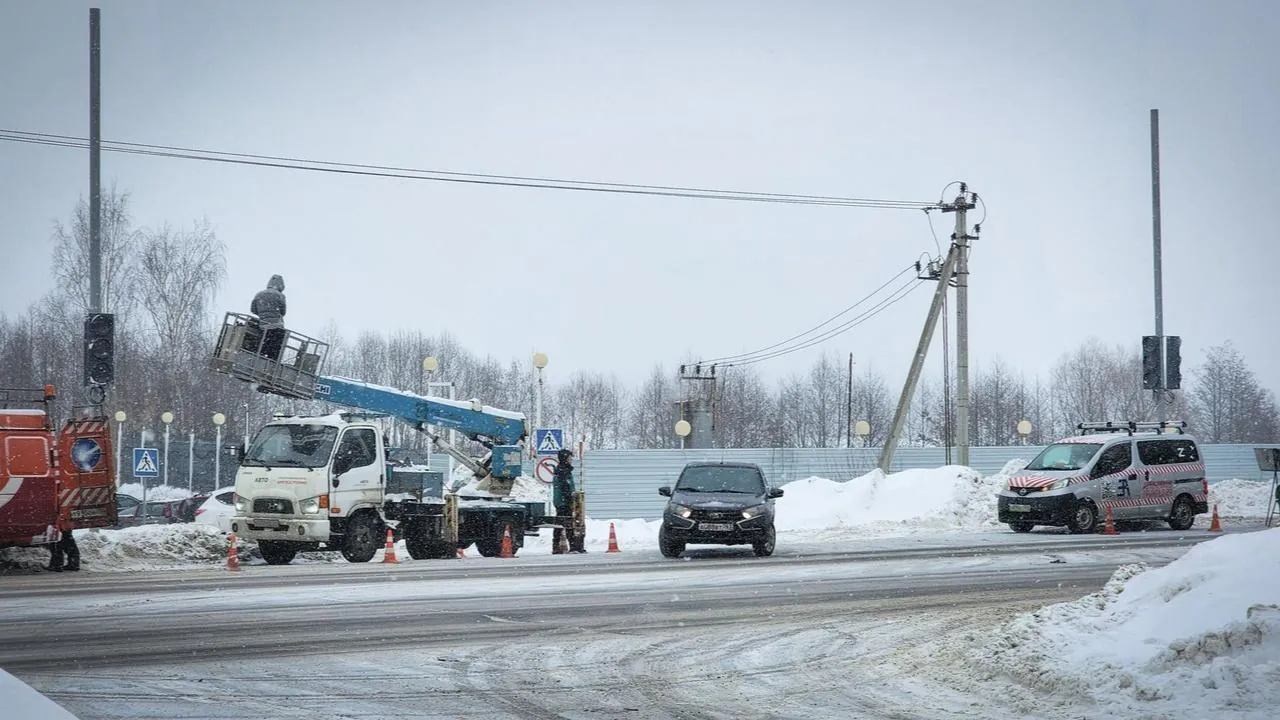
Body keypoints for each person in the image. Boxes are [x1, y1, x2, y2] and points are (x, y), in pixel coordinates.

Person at [552, 448, 585, 553]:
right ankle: (572, 547)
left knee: (561, 524)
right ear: (565, 459)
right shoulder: (563, 471)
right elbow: (565, 488)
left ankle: (558, 547)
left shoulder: (563, 470)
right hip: (563, 502)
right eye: (570, 458)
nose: (571, 460)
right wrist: (571, 500)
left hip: (562, 501)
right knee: (568, 524)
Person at [250, 274, 287, 361]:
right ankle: (271, 362)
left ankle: (260, 359)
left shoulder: (259, 294)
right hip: (277, 326)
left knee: (263, 344)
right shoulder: (280, 295)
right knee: (275, 348)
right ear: (281, 285)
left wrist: (263, 315)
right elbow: (283, 312)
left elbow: (253, 309)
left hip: (262, 325)